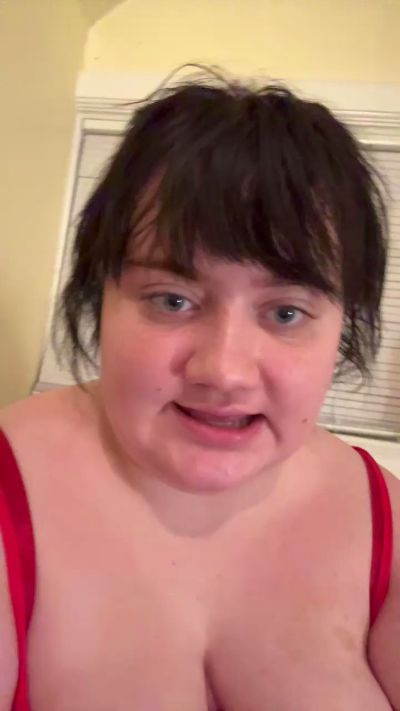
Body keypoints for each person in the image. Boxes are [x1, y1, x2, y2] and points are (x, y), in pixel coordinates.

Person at [0, 68, 399, 711]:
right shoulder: (9, 493)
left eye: (286, 312)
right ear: (101, 298)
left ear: (340, 327)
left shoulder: (389, 521)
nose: (224, 371)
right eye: (173, 299)